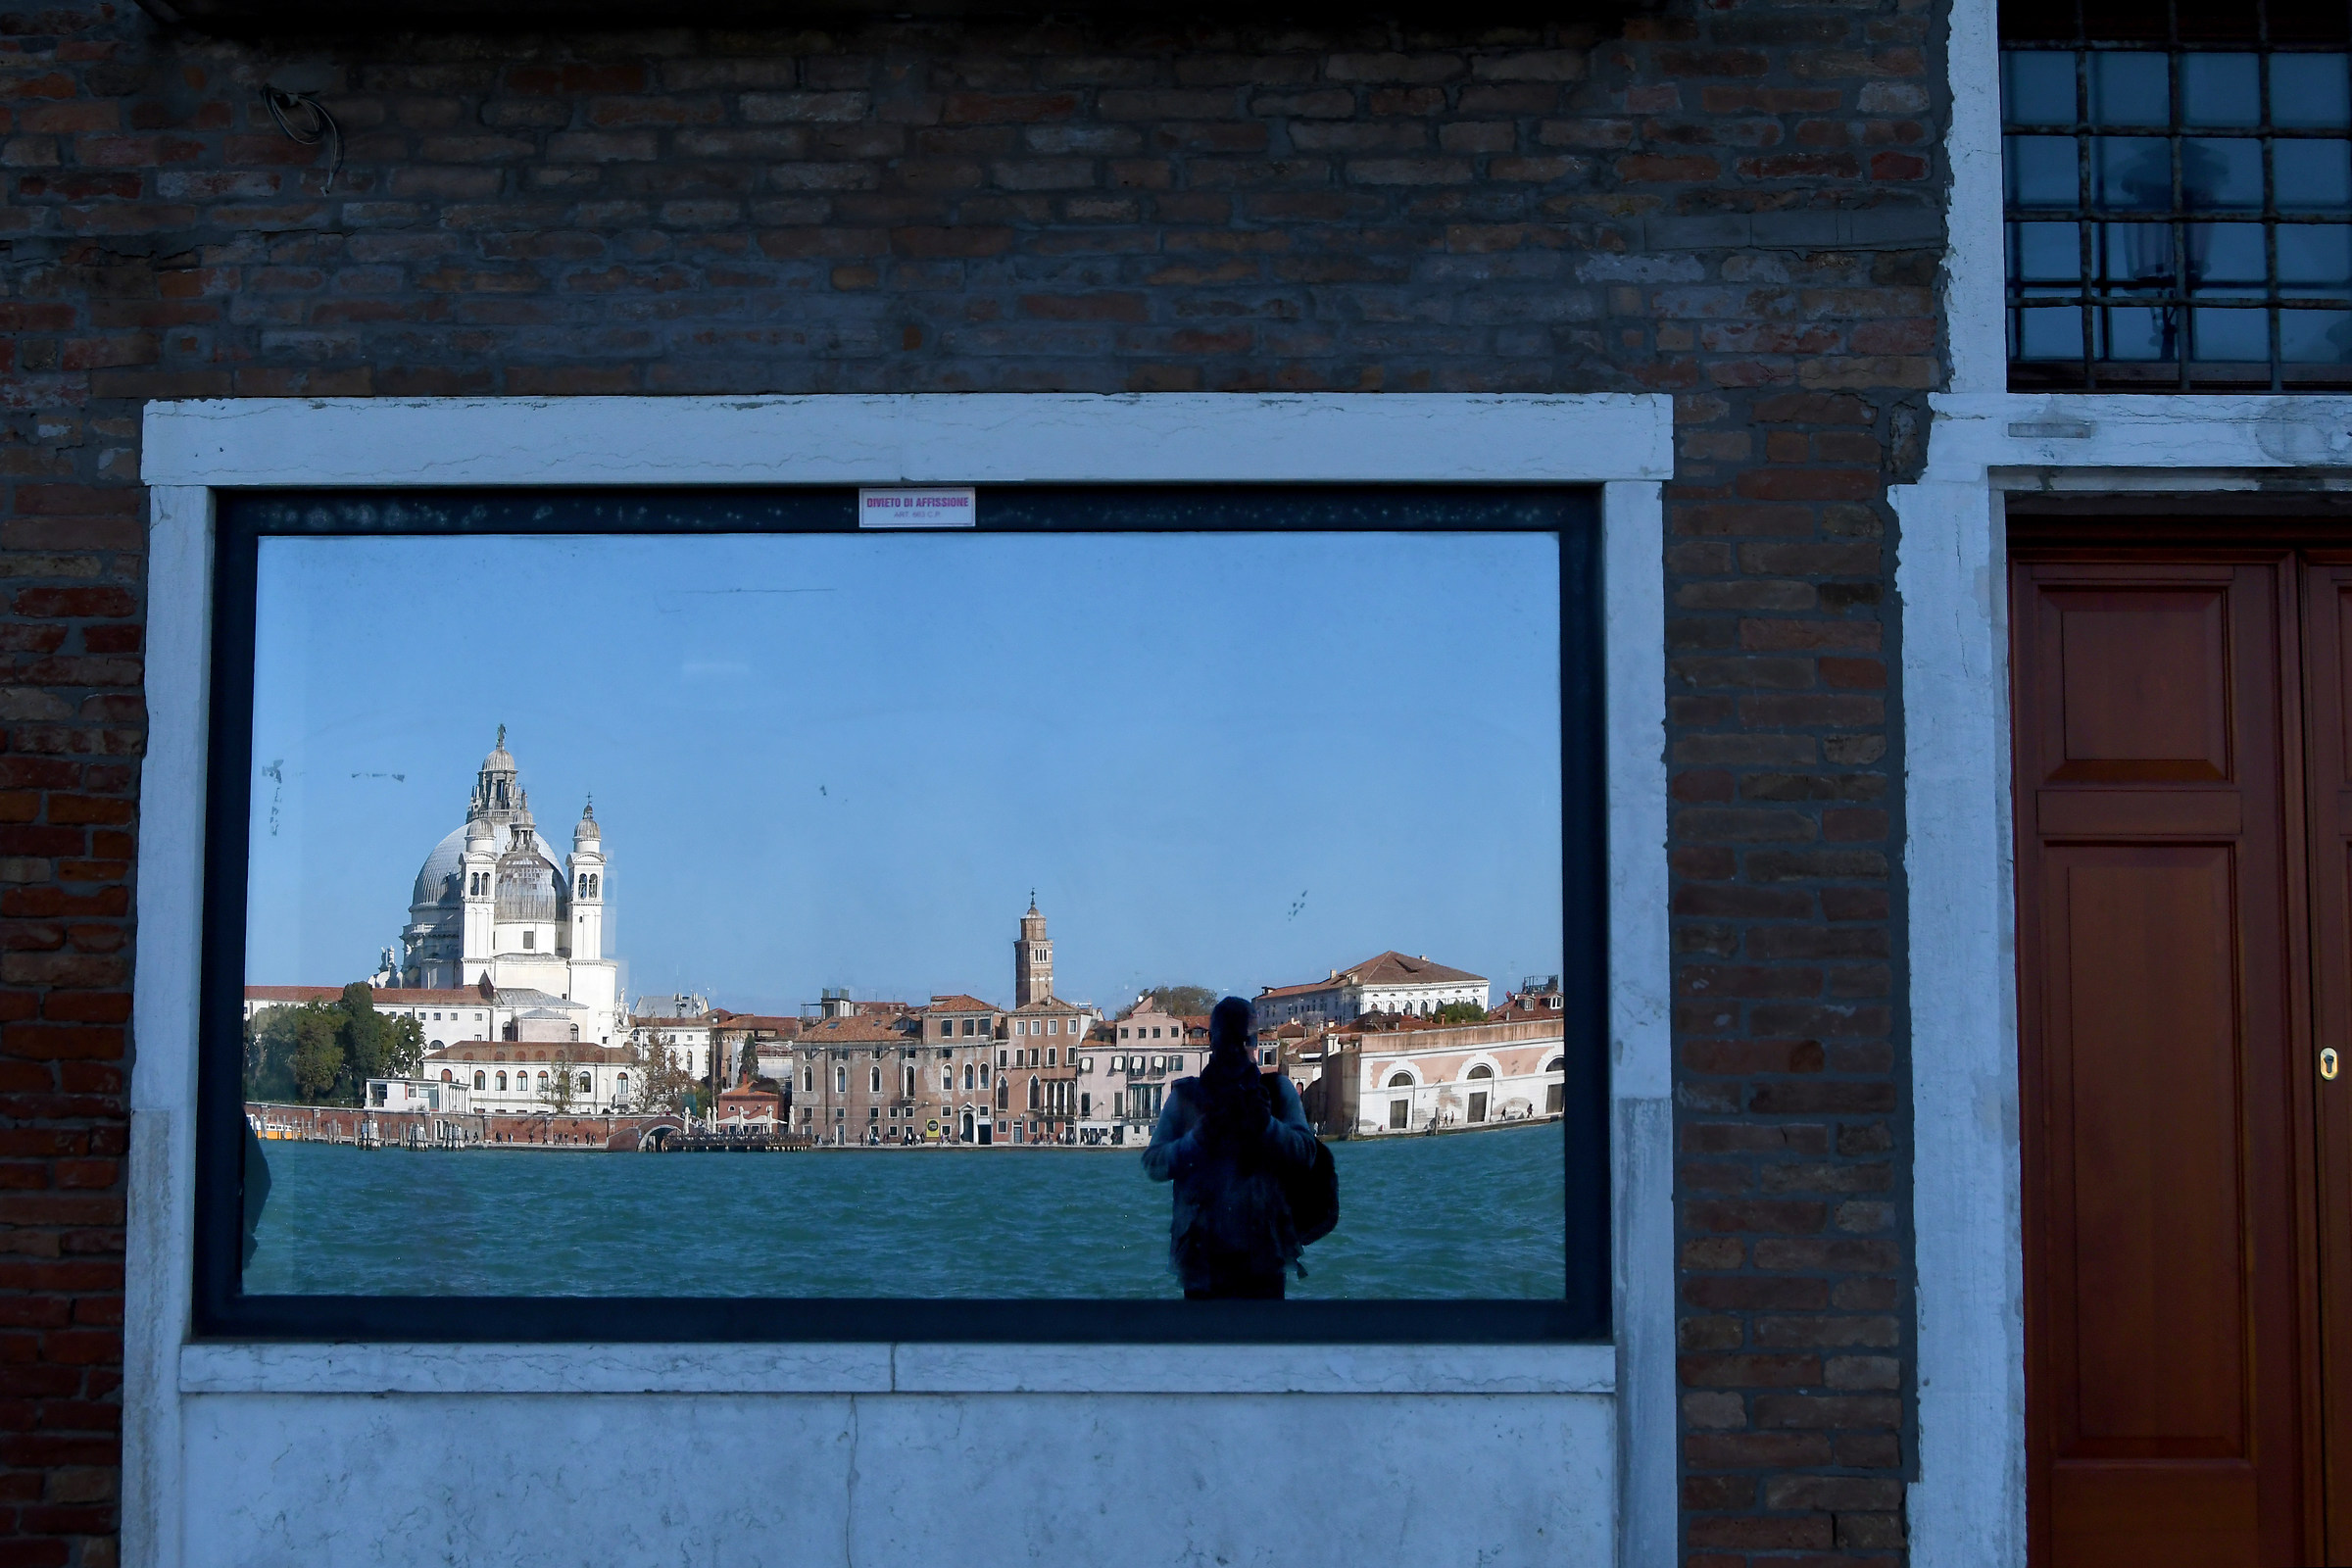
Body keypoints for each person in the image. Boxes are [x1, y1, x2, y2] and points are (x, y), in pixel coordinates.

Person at [1143, 996, 1318, 1299]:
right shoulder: (1187, 1098)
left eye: (1246, 1040)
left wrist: (1266, 1126)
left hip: (1261, 1257)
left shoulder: (1277, 1091)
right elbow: (1154, 1163)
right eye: (1231, 1040)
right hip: (1204, 1260)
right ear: (1214, 1041)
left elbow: (1307, 1155)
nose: (1239, 1049)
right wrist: (1200, 1138)